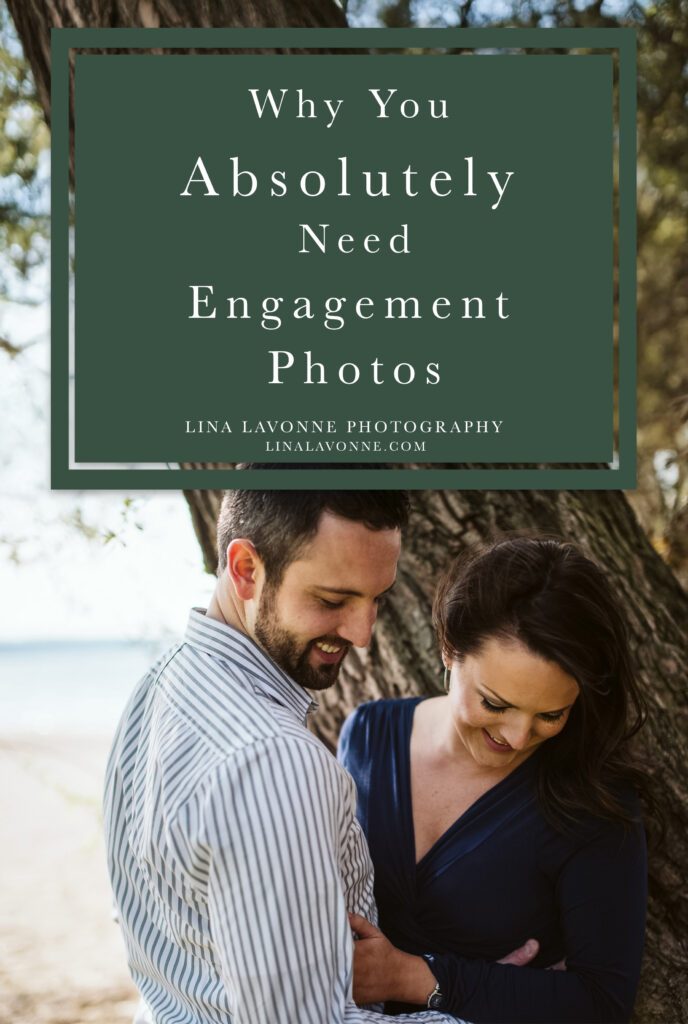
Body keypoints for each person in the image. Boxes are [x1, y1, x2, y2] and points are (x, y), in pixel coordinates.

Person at [104, 484, 534, 1024]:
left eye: (377, 598)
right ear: (245, 569)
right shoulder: (274, 761)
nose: (361, 633)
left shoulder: (157, 688)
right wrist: (495, 1008)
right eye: (332, 600)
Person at [339, 536, 648, 1024]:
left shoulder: (592, 802)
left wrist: (418, 979)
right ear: (448, 648)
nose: (519, 736)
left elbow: (602, 1002)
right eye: (495, 703)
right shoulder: (366, 734)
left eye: (551, 714)